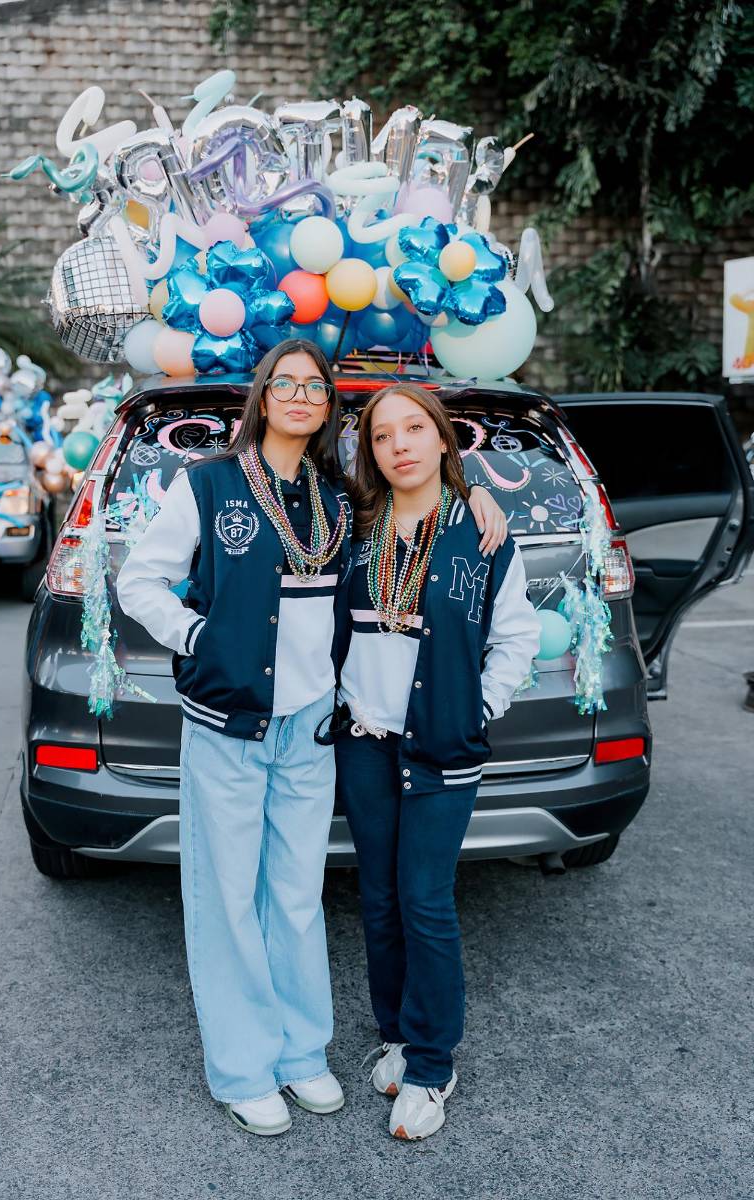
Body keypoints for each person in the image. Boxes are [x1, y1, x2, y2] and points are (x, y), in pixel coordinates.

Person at [116, 340, 507, 1136]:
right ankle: (242, 1065)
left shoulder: (337, 498)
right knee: (226, 897)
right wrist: (197, 638)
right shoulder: (210, 484)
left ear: (330, 407)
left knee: (295, 895)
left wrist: (480, 502)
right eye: (285, 383)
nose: (300, 395)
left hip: (312, 726)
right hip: (229, 721)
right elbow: (138, 580)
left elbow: (425, 514)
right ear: (262, 396)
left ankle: (301, 1053)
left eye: (315, 387)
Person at [328, 382, 540, 1141]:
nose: (400, 446)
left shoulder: (479, 532)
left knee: (424, 899)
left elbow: (517, 637)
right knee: (378, 898)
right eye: (383, 436)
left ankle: (430, 1063)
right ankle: (395, 1032)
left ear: (442, 439)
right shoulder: (353, 525)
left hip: (442, 746)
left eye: (415, 429)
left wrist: (476, 708)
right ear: (371, 452)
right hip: (364, 740)